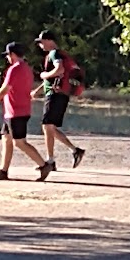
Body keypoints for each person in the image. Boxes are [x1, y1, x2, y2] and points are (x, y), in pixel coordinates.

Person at [0, 42, 53, 182]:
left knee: (19, 142)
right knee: (7, 139)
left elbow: (5, 89)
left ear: (12, 55)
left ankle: (44, 165)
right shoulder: (26, 68)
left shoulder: (14, 69)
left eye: (8, 55)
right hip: (14, 111)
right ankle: (3, 170)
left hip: (17, 112)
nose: (7, 58)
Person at [31, 30, 85, 171]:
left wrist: (43, 75)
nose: (40, 45)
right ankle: (74, 150)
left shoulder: (54, 54)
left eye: (42, 42)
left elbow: (59, 70)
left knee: (47, 125)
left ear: (49, 41)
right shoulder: (58, 54)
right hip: (60, 93)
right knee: (50, 127)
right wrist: (37, 91)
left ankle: (50, 161)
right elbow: (54, 77)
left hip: (55, 94)